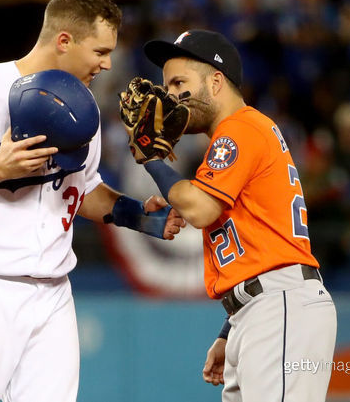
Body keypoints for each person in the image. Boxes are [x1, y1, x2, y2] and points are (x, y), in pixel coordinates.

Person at [0, 0, 185, 402]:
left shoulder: (82, 106)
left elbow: (81, 189)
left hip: (53, 292)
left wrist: (137, 215)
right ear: (64, 41)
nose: (108, 63)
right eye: (100, 51)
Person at [131, 29, 337, 401]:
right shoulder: (239, 134)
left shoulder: (239, 129)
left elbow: (199, 208)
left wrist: (152, 158)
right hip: (260, 309)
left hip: (280, 307)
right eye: (167, 85)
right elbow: (253, 236)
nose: (170, 96)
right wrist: (231, 328)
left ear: (215, 81)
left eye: (180, 82)